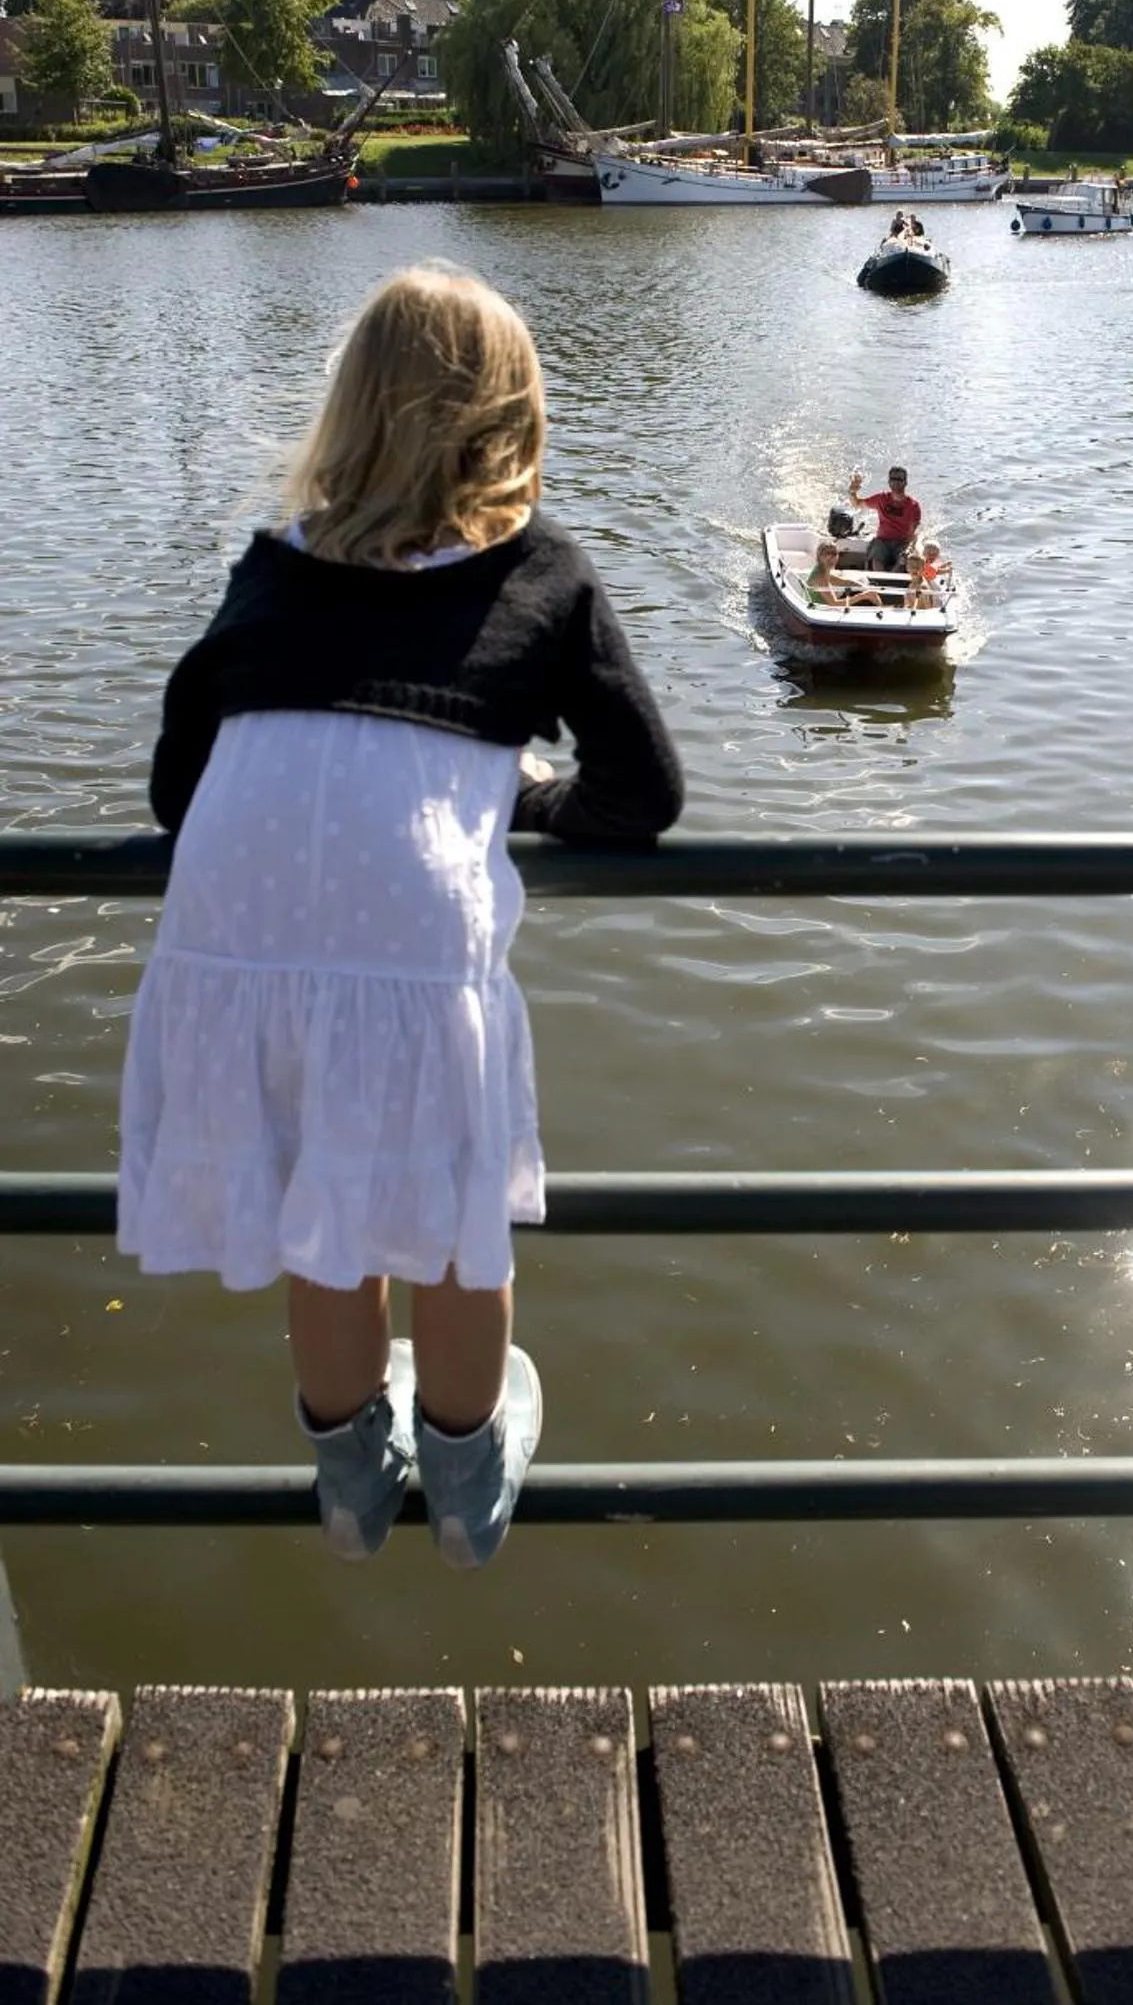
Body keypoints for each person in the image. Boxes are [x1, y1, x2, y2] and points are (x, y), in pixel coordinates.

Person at [118, 263, 684, 1570]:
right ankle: (468, 1473)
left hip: (232, 932)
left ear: (348, 414)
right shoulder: (537, 576)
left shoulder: (269, 573)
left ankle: (350, 1483)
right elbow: (642, 792)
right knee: (454, 1221)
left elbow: (172, 783)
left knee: (330, 1214)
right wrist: (527, 803)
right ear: (511, 422)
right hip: (411, 941)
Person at [847, 465, 921, 574]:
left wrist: (910, 547)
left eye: (899, 479)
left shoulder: (913, 505)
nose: (896, 482)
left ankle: (889, 578)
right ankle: (880, 580)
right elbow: (857, 503)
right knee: (877, 555)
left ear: (905, 482)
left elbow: (916, 530)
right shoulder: (881, 499)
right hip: (882, 541)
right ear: (889, 482)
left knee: (903, 560)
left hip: (902, 542)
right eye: (893, 479)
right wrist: (852, 492)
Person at [805, 541, 878, 607]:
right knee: (865, 600)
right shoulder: (821, 577)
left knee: (866, 587)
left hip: (827, 607)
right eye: (827, 553)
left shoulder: (822, 570)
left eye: (834, 554)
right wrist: (863, 596)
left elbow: (845, 582)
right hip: (824, 612)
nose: (831, 557)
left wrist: (866, 588)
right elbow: (834, 604)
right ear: (819, 556)